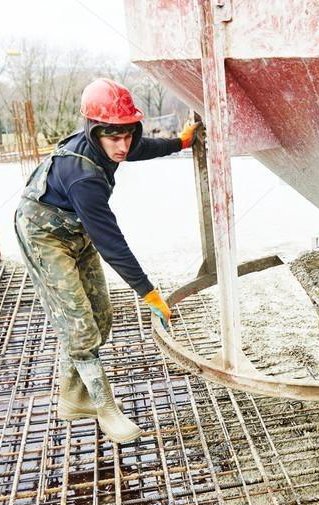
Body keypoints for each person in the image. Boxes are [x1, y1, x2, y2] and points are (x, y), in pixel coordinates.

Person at [14, 78, 199, 443]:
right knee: (80, 326)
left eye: (127, 134)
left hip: (75, 230)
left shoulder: (112, 144)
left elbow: (140, 148)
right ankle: (104, 408)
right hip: (44, 237)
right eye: (114, 137)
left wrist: (180, 142)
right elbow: (111, 242)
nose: (123, 145)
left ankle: (72, 397)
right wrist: (147, 292)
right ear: (94, 131)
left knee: (101, 316)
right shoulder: (82, 175)